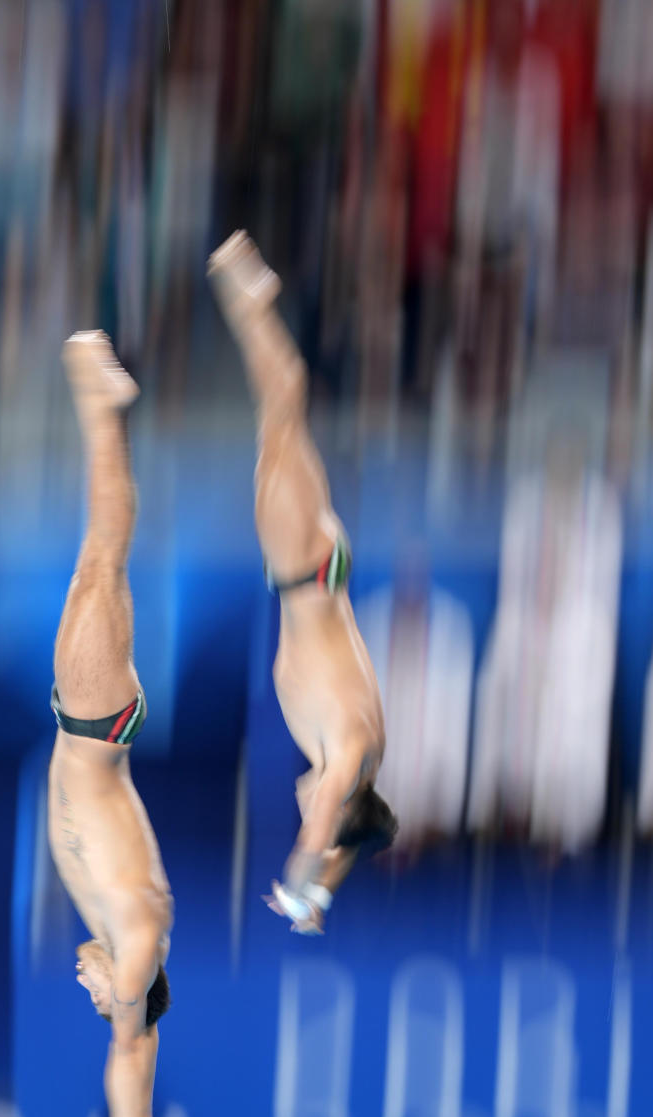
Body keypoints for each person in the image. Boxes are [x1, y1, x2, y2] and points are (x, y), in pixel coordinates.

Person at [207, 232, 397, 935]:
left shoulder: (365, 755)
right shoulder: (345, 754)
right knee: (282, 399)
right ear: (343, 800)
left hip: (319, 564)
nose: (304, 800)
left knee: (282, 408)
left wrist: (321, 896)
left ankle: (251, 301)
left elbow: (350, 837)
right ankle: (247, 295)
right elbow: (324, 829)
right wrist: (296, 891)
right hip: (302, 565)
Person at [49, 331, 172, 1117]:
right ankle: (103, 412)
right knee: (103, 554)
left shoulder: (122, 935)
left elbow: (139, 1040)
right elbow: (129, 1045)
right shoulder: (135, 939)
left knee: (100, 559)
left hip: (92, 726)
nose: (87, 989)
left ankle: (103, 412)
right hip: (94, 726)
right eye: (100, 1000)